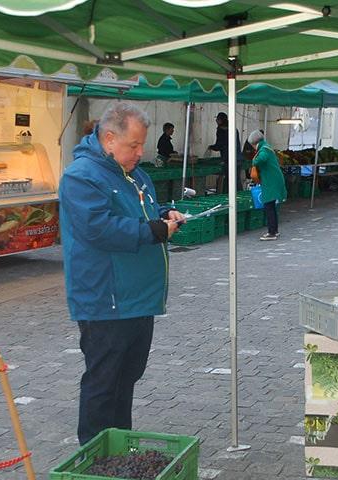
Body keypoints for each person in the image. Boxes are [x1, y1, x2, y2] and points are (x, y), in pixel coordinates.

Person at [59, 101, 185, 446]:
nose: (140, 152)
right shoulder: (81, 177)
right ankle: (96, 461)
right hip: (107, 299)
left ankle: (120, 449)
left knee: (126, 378)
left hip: (137, 299)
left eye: (142, 144)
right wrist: (153, 231)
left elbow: (138, 210)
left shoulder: (134, 173)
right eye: (134, 145)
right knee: (104, 384)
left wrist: (164, 213)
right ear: (109, 138)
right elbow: (98, 228)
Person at [248, 129, 286, 241]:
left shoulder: (263, 149)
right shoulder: (267, 146)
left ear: (254, 143)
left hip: (271, 182)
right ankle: (274, 230)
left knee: (268, 206)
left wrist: (254, 161)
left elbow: (261, 159)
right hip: (274, 180)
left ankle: (271, 232)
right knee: (272, 206)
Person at [208, 111, 241, 193]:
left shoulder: (221, 130)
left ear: (220, 120)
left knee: (229, 180)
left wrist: (211, 147)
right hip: (238, 158)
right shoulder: (234, 129)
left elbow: (220, 145)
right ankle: (239, 197)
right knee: (236, 180)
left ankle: (227, 197)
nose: (216, 121)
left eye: (217, 120)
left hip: (229, 159)